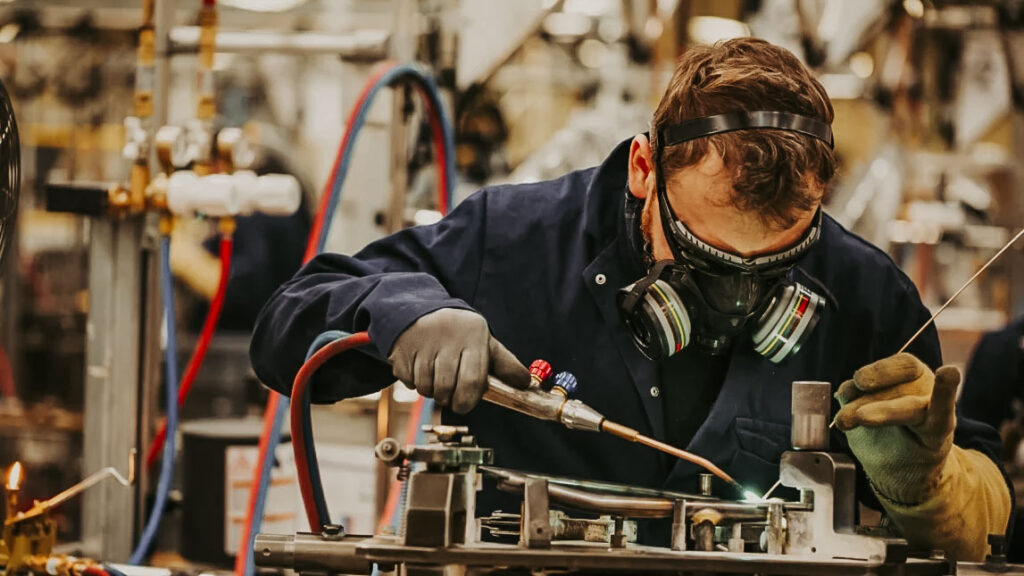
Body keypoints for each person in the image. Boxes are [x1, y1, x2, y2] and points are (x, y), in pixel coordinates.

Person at [250, 38, 1010, 561]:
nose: (738, 292)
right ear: (645, 168)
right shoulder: (513, 240)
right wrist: (399, 311)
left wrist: (931, 487)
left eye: (776, 261)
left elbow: (988, 517)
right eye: (707, 257)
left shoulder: (865, 294)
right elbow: (288, 325)